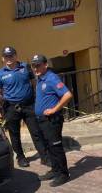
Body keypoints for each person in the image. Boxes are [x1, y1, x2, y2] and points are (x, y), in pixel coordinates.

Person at [0, 46, 48, 168]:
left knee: (36, 131)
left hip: (29, 105)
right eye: (6, 56)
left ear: (16, 56)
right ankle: (21, 157)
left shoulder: (25, 67)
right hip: (11, 108)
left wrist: (39, 100)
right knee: (14, 134)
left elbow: (35, 84)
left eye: (11, 55)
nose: (9, 58)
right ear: (3, 58)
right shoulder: (0, 74)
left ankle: (44, 156)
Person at [31, 54, 73, 187]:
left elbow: (67, 95)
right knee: (49, 147)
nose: (35, 68)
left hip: (51, 120)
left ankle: (63, 174)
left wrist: (54, 109)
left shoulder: (51, 78)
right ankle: (55, 170)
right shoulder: (40, 78)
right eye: (34, 65)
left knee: (56, 147)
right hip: (41, 120)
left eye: (38, 65)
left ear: (45, 65)